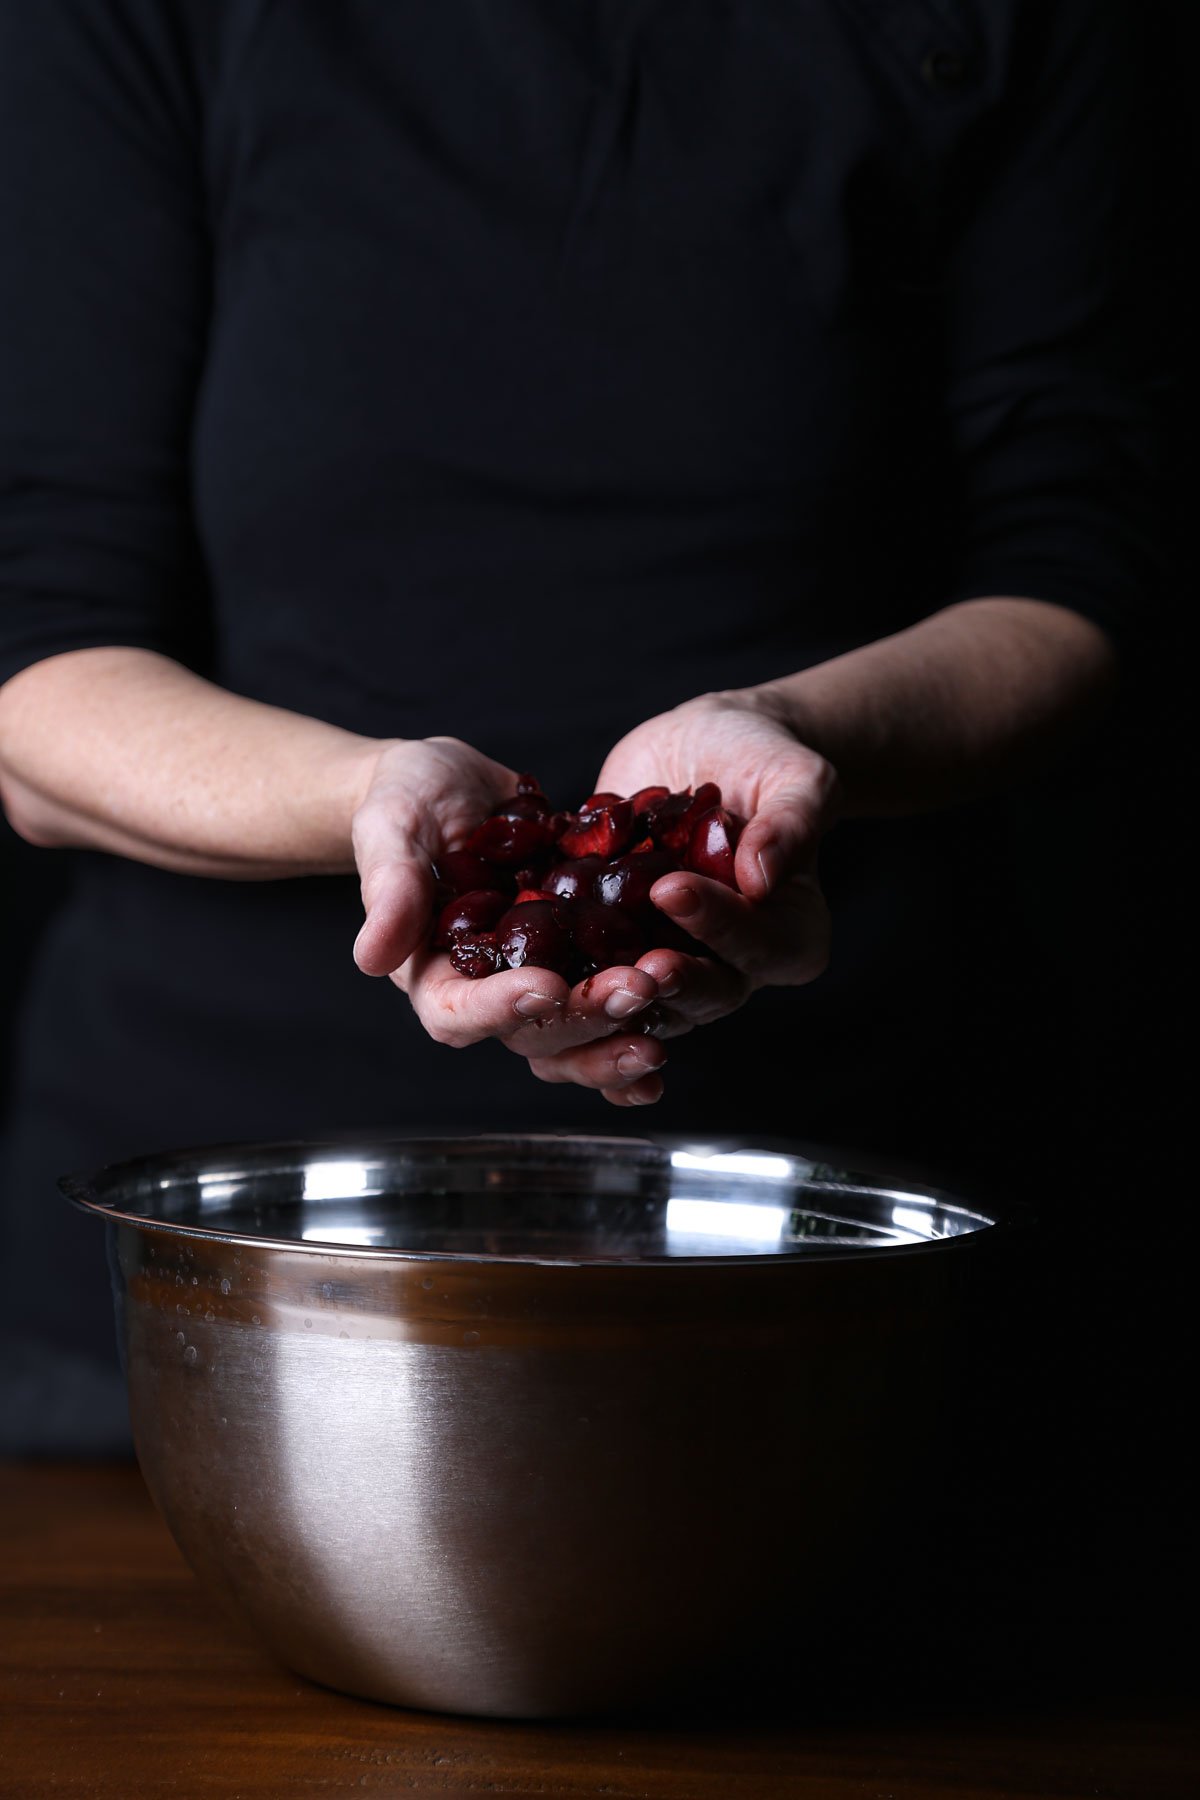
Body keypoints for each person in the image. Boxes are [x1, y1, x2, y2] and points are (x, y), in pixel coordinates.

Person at [0, 0, 1162, 1453]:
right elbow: (35, 665)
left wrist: (793, 733)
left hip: (856, 1231)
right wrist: (366, 800)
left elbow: (1084, 575)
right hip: (223, 1260)